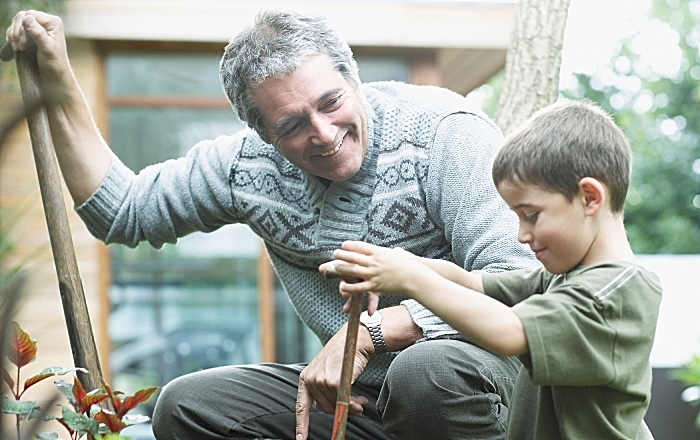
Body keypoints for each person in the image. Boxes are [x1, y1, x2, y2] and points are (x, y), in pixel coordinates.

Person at [6, 9, 539, 440]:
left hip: (478, 390)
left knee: (424, 375)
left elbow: (518, 284)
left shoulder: (445, 133)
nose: (325, 133)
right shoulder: (245, 170)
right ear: (260, 132)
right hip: (358, 405)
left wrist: (373, 334)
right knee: (189, 407)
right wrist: (58, 74)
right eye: (292, 125)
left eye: (331, 102)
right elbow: (121, 209)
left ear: (352, 74)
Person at [324, 100, 663, 439]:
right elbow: (473, 283)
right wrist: (393, 262)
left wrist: (411, 280)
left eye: (530, 215)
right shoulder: (565, 277)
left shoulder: (613, 293)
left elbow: (509, 332)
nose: (521, 235)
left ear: (589, 197)